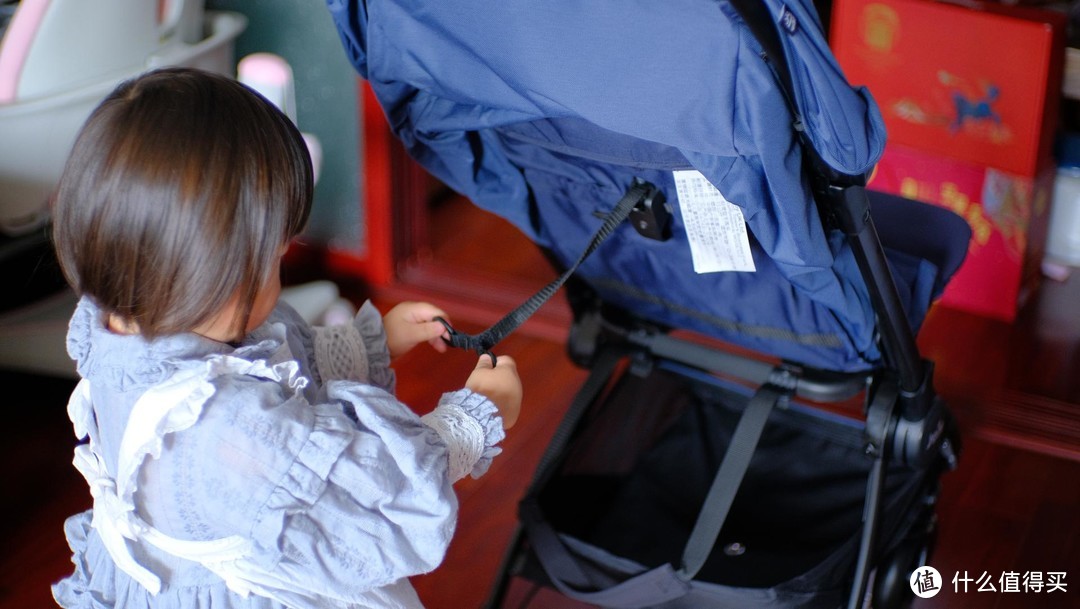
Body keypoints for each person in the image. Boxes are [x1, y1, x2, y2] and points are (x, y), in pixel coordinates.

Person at [49, 66, 522, 609]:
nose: (282, 266)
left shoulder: (121, 319)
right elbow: (371, 509)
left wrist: (373, 341)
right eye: (277, 256)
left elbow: (266, 369)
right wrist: (473, 419)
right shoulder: (226, 431)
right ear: (213, 276)